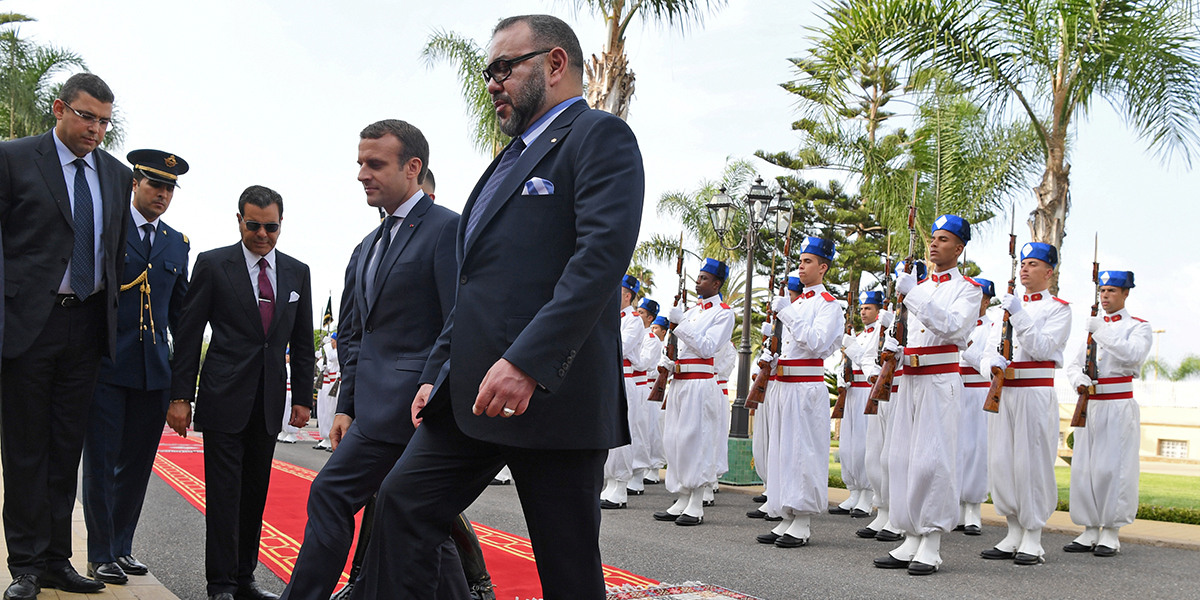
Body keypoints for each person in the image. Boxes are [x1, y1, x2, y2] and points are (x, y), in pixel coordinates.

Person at [352, 14, 643, 600]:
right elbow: (476, 286)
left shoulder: (599, 137)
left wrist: (529, 362)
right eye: (489, 71)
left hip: (550, 397)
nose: (491, 82)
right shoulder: (504, 163)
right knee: (401, 505)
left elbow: (599, 262)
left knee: (567, 570)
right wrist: (437, 371)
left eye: (504, 68)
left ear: (555, 64)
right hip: (472, 395)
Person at [280, 120, 469, 600]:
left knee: (403, 514)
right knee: (403, 516)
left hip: (418, 410)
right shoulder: (366, 247)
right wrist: (346, 406)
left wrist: (433, 387)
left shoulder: (447, 228)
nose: (362, 173)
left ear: (413, 168)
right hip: (371, 412)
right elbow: (354, 335)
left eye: (375, 164)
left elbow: (459, 320)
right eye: (360, 163)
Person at [0, 73, 133, 599]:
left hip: (86, 324)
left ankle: (57, 559)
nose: (96, 129)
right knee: (26, 450)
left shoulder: (117, 177)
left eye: (104, 121)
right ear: (59, 109)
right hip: (29, 326)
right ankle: (26, 566)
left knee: (64, 450)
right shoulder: (13, 159)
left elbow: (114, 254)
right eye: (86, 116)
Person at [169, 185, 315, 600]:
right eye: (254, 226)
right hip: (223, 396)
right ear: (239, 221)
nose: (263, 235)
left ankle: (244, 578)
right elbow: (189, 329)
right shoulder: (214, 265)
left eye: (271, 227)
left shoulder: (297, 271)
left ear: (281, 224)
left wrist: (302, 397)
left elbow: (302, 340)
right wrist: (181, 395)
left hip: (268, 403)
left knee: (254, 494)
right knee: (224, 495)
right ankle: (220, 584)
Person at [81, 149, 191, 586]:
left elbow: (181, 317)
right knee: (102, 464)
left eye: (168, 189)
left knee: (137, 465)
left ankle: (122, 547)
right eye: (154, 185)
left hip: (152, 373)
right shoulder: (111, 228)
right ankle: (100, 553)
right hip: (108, 365)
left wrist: (182, 386)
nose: (162, 194)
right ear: (136, 185)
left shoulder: (177, 243)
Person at [873, 215, 981, 575]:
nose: (935, 244)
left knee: (932, 461)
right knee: (901, 458)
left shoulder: (968, 289)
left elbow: (952, 327)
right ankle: (910, 536)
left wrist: (913, 293)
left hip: (940, 381)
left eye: (944, 239)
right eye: (933, 238)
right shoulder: (919, 287)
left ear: (959, 248)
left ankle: (931, 542)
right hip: (910, 378)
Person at [979, 242, 1071, 566]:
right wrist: (991, 364)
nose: (1025, 269)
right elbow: (987, 351)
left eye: (1033, 264)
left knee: (1031, 462)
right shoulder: (1001, 311)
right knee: (1002, 461)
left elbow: (1042, 347)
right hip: (1005, 391)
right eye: (1023, 264)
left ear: (1049, 272)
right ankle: (1013, 531)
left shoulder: (1059, 309)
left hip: (1034, 391)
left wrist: (1017, 313)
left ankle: (1034, 536)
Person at [756, 238, 844, 548]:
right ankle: (787, 515)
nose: (802, 266)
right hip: (784, 384)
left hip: (806, 387)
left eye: (808, 261)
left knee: (803, 451)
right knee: (782, 451)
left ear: (823, 267)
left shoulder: (830, 305)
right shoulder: (799, 304)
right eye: (801, 261)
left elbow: (818, 343)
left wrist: (787, 314)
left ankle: (803, 520)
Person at [1064, 270, 1151, 557]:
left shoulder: (1138, 327)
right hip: (1091, 404)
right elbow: (1074, 364)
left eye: (1112, 291)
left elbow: (1132, 355)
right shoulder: (1094, 328)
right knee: (1086, 468)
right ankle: (1089, 528)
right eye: (1102, 291)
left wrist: (1101, 330)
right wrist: (1078, 380)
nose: (1105, 296)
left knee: (1115, 468)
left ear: (1126, 294)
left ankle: (1111, 531)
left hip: (1118, 405)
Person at [655, 259, 735, 527]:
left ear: (716, 284)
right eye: (697, 277)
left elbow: (708, 347)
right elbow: (681, 347)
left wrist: (680, 325)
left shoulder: (723, 313)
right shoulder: (691, 311)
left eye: (703, 278)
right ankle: (681, 495)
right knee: (675, 439)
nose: (697, 282)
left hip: (701, 382)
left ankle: (697, 502)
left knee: (697, 440)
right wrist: (669, 361)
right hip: (680, 381)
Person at [747, 277, 801, 522]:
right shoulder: (787, 316)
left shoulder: (804, 312)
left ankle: (792, 509)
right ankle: (774, 494)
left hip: (797, 387)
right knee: (770, 445)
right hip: (776, 385)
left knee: (792, 449)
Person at [832, 290, 885, 518]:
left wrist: (851, 347)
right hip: (853, 392)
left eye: (868, 308)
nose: (863, 312)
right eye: (862, 308)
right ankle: (853, 491)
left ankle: (867, 495)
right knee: (849, 446)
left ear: (878, 311)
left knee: (865, 445)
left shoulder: (880, 334)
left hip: (867, 391)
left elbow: (871, 360)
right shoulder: (862, 334)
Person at [956, 277, 998, 535]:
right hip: (955, 389)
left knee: (976, 449)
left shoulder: (993, 326)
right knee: (956, 448)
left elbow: (988, 363)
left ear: (987, 301)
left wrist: (966, 348)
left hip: (978, 391)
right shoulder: (957, 322)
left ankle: (973, 510)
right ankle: (956, 507)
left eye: (979, 298)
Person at [601, 275, 644, 509]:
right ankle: (609, 481)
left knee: (623, 433)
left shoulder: (634, 320)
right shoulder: (612, 316)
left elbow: (622, 346)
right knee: (608, 431)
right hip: (611, 376)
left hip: (626, 379)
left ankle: (620, 484)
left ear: (627, 296)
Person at [634, 301, 665, 486]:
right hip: (637, 384)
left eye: (641, 312)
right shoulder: (638, 335)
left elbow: (643, 363)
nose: (637, 315)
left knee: (649, 429)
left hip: (647, 387)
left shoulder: (651, 339)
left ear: (650, 317)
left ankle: (651, 468)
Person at [313, 334, 339, 451]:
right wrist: (320, 360)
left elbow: (333, 357)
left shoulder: (339, 351)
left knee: (331, 412)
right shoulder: (330, 352)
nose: (331, 342)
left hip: (335, 385)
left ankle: (332, 437)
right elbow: (326, 364)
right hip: (326, 385)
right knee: (323, 412)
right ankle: (325, 437)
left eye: (332, 341)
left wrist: (327, 345)